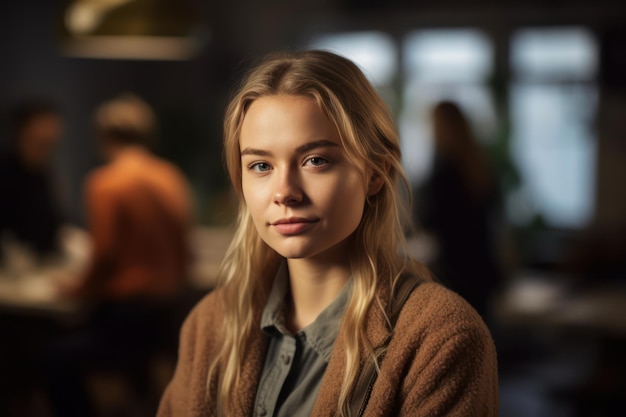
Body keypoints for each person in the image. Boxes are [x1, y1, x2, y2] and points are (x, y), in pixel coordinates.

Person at [158, 50, 498, 417]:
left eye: (315, 160)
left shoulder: (442, 337)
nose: (284, 191)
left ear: (374, 174)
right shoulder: (210, 324)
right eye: (260, 165)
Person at [44, 93, 193, 417]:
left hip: (126, 313)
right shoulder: (169, 177)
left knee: (52, 358)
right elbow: (184, 249)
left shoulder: (106, 182)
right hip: (167, 313)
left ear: (104, 136)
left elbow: (105, 254)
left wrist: (75, 288)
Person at [414, 100, 502, 321]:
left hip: (455, 269)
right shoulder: (479, 165)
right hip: (482, 266)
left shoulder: (445, 169)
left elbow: (430, 219)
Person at [0, 99, 64, 266]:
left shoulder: (43, 173)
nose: (50, 133)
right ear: (22, 131)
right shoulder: (6, 172)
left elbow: (51, 221)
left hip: (41, 268)